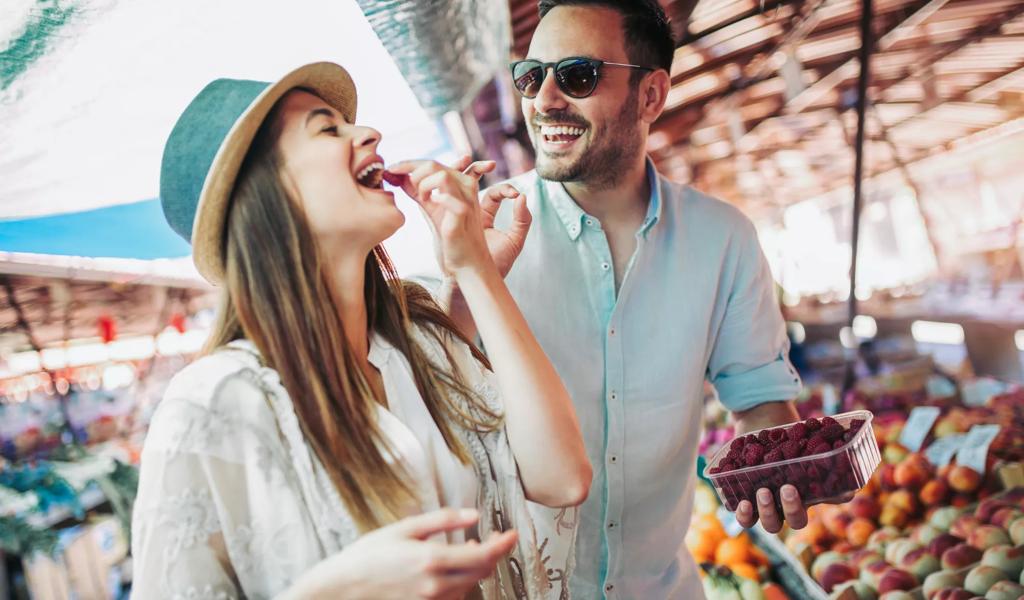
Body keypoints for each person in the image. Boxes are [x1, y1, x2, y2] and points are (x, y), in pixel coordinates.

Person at [131, 61, 591, 599]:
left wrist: (476, 269)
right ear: (266, 198)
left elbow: (563, 479)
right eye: (328, 129)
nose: (368, 133)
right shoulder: (213, 405)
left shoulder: (418, 342)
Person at [444, 1, 808, 597]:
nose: (544, 100)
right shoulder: (477, 234)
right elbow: (430, 397)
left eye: (579, 75)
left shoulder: (724, 239)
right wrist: (465, 279)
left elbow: (762, 401)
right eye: (531, 77)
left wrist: (785, 466)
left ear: (651, 95)